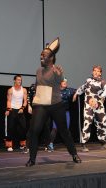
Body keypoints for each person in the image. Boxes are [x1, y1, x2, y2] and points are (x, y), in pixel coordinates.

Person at [26, 38, 81, 167]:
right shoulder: (38, 71)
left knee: (63, 131)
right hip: (41, 104)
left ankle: (74, 154)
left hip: (55, 104)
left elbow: (60, 79)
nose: (41, 57)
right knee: (34, 130)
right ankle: (32, 159)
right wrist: (33, 102)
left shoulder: (56, 70)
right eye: (40, 55)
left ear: (51, 58)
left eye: (44, 55)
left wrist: (59, 74)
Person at [72, 65, 106, 152]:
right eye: (94, 70)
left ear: (100, 73)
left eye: (98, 71)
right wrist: (76, 93)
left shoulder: (102, 82)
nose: (96, 72)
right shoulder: (88, 80)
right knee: (87, 122)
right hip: (89, 106)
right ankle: (83, 144)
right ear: (92, 72)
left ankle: (103, 143)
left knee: (102, 123)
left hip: (99, 106)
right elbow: (82, 87)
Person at [46, 78, 76, 152]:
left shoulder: (69, 90)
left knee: (66, 130)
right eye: (63, 82)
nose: (65, 83)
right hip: (57, 113)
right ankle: (50, 144)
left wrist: (75, 95)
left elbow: (79, 90)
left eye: (66, 81)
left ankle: (70, 145)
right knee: (55, 129)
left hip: (66, 112)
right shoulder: (55, 91)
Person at [5, 75, 28, 152]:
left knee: (23, 128)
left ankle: (22, 144)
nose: (19, 81)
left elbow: (25, 101)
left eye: (20, 80)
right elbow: (9, 101)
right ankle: (9, 145)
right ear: (14, 80)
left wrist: (22, 108)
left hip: (20, 110)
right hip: (12, 110)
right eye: (18, 80)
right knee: (10, 128)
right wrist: (8, 109)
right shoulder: (10, 90)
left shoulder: (24, 90)